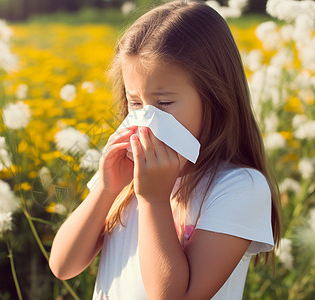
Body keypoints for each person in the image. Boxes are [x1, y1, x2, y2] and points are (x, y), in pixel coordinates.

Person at [49, 0, 281, 299]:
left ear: (215, 96)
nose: (147, 117)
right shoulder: (128, 177)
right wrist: (106, 188)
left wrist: (154, 200)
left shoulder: (239, 187)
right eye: (136, 103)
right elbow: (63, 265)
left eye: (164, 103)